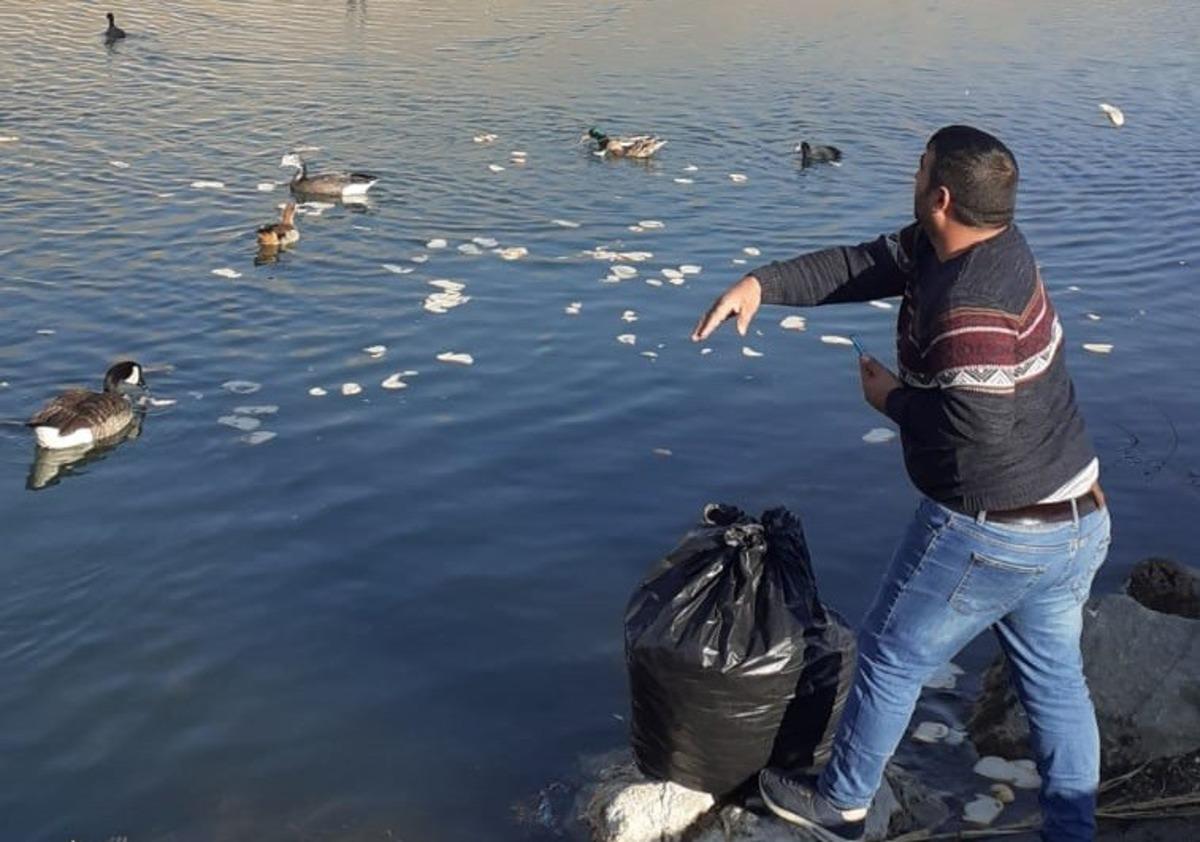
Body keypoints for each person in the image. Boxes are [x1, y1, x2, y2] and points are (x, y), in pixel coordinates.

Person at [691, 125, 1110, 842]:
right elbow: (865, 264)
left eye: (918, 170)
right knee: (1055, 684)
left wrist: (889, 400)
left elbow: (976, 430)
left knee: (890, 652)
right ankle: (1073, 830)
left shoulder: (969, 304)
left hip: (992, 528)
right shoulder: (976, 243)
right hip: (1077, 518)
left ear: (940, 196)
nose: (909, 176)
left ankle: (843, 803)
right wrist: (764, 283)